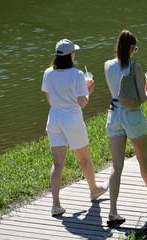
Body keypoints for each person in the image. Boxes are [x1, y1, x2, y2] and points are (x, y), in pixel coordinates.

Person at [104, 30, 147, 227]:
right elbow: (141, 98)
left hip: (113, 114)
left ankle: (113, 212)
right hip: (132, 116)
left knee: (116, 166)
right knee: (142, 159)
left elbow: (115, 92)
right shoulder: (135, 67)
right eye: (135, 48)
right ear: (131, 48)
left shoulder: (107, 65)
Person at [42, 39, 109, 216]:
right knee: (84, 158)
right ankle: (94, 190)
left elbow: (50, 100)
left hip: (54, 118)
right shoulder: (77, 74)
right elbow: (81, 103)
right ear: (71, 55)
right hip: (72, 119)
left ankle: (56, 204)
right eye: (74, 52)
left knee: (57, 162)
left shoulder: (48, 73)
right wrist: (88, 91)